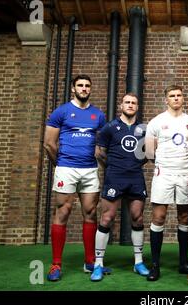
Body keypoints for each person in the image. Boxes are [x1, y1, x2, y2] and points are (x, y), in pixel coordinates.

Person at [43, 74, 108, 282]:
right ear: (73, 89)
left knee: (90, 213)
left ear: (90, 89)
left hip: (89, 170)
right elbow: (49, 144)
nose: (83, 88)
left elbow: (101, 147)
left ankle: (90, 262)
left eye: (87, 85)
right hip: (66, 169)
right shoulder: (61, 112)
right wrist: (60, 164)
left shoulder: (98, 115)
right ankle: (56, 264)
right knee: (63, 212)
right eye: (80, 85)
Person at [90, 93, 150, 282]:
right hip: (114, 177)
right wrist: (114, 166)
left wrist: (132, 166)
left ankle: (138, 262)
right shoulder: (110, 127)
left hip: (135, 177)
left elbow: (148, 154)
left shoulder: (143, 129)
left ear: (137, 107)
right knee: (106, 218)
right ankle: (98, 264)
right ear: (121, 105)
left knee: (138, 218)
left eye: (133, 103)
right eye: (127, 102)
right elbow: (99, 153)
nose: (130, 105)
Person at [145, 85, 188, 281]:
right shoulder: (156, 122)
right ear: (166, 99)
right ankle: (155, 265)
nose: (176, 98)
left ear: (183, 98)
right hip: (164, 173)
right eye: (172, 96)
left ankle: (183, 263)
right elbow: (150, 153)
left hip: (185, 173)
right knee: (158, 217)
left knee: (185, 217)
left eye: (179, 95)